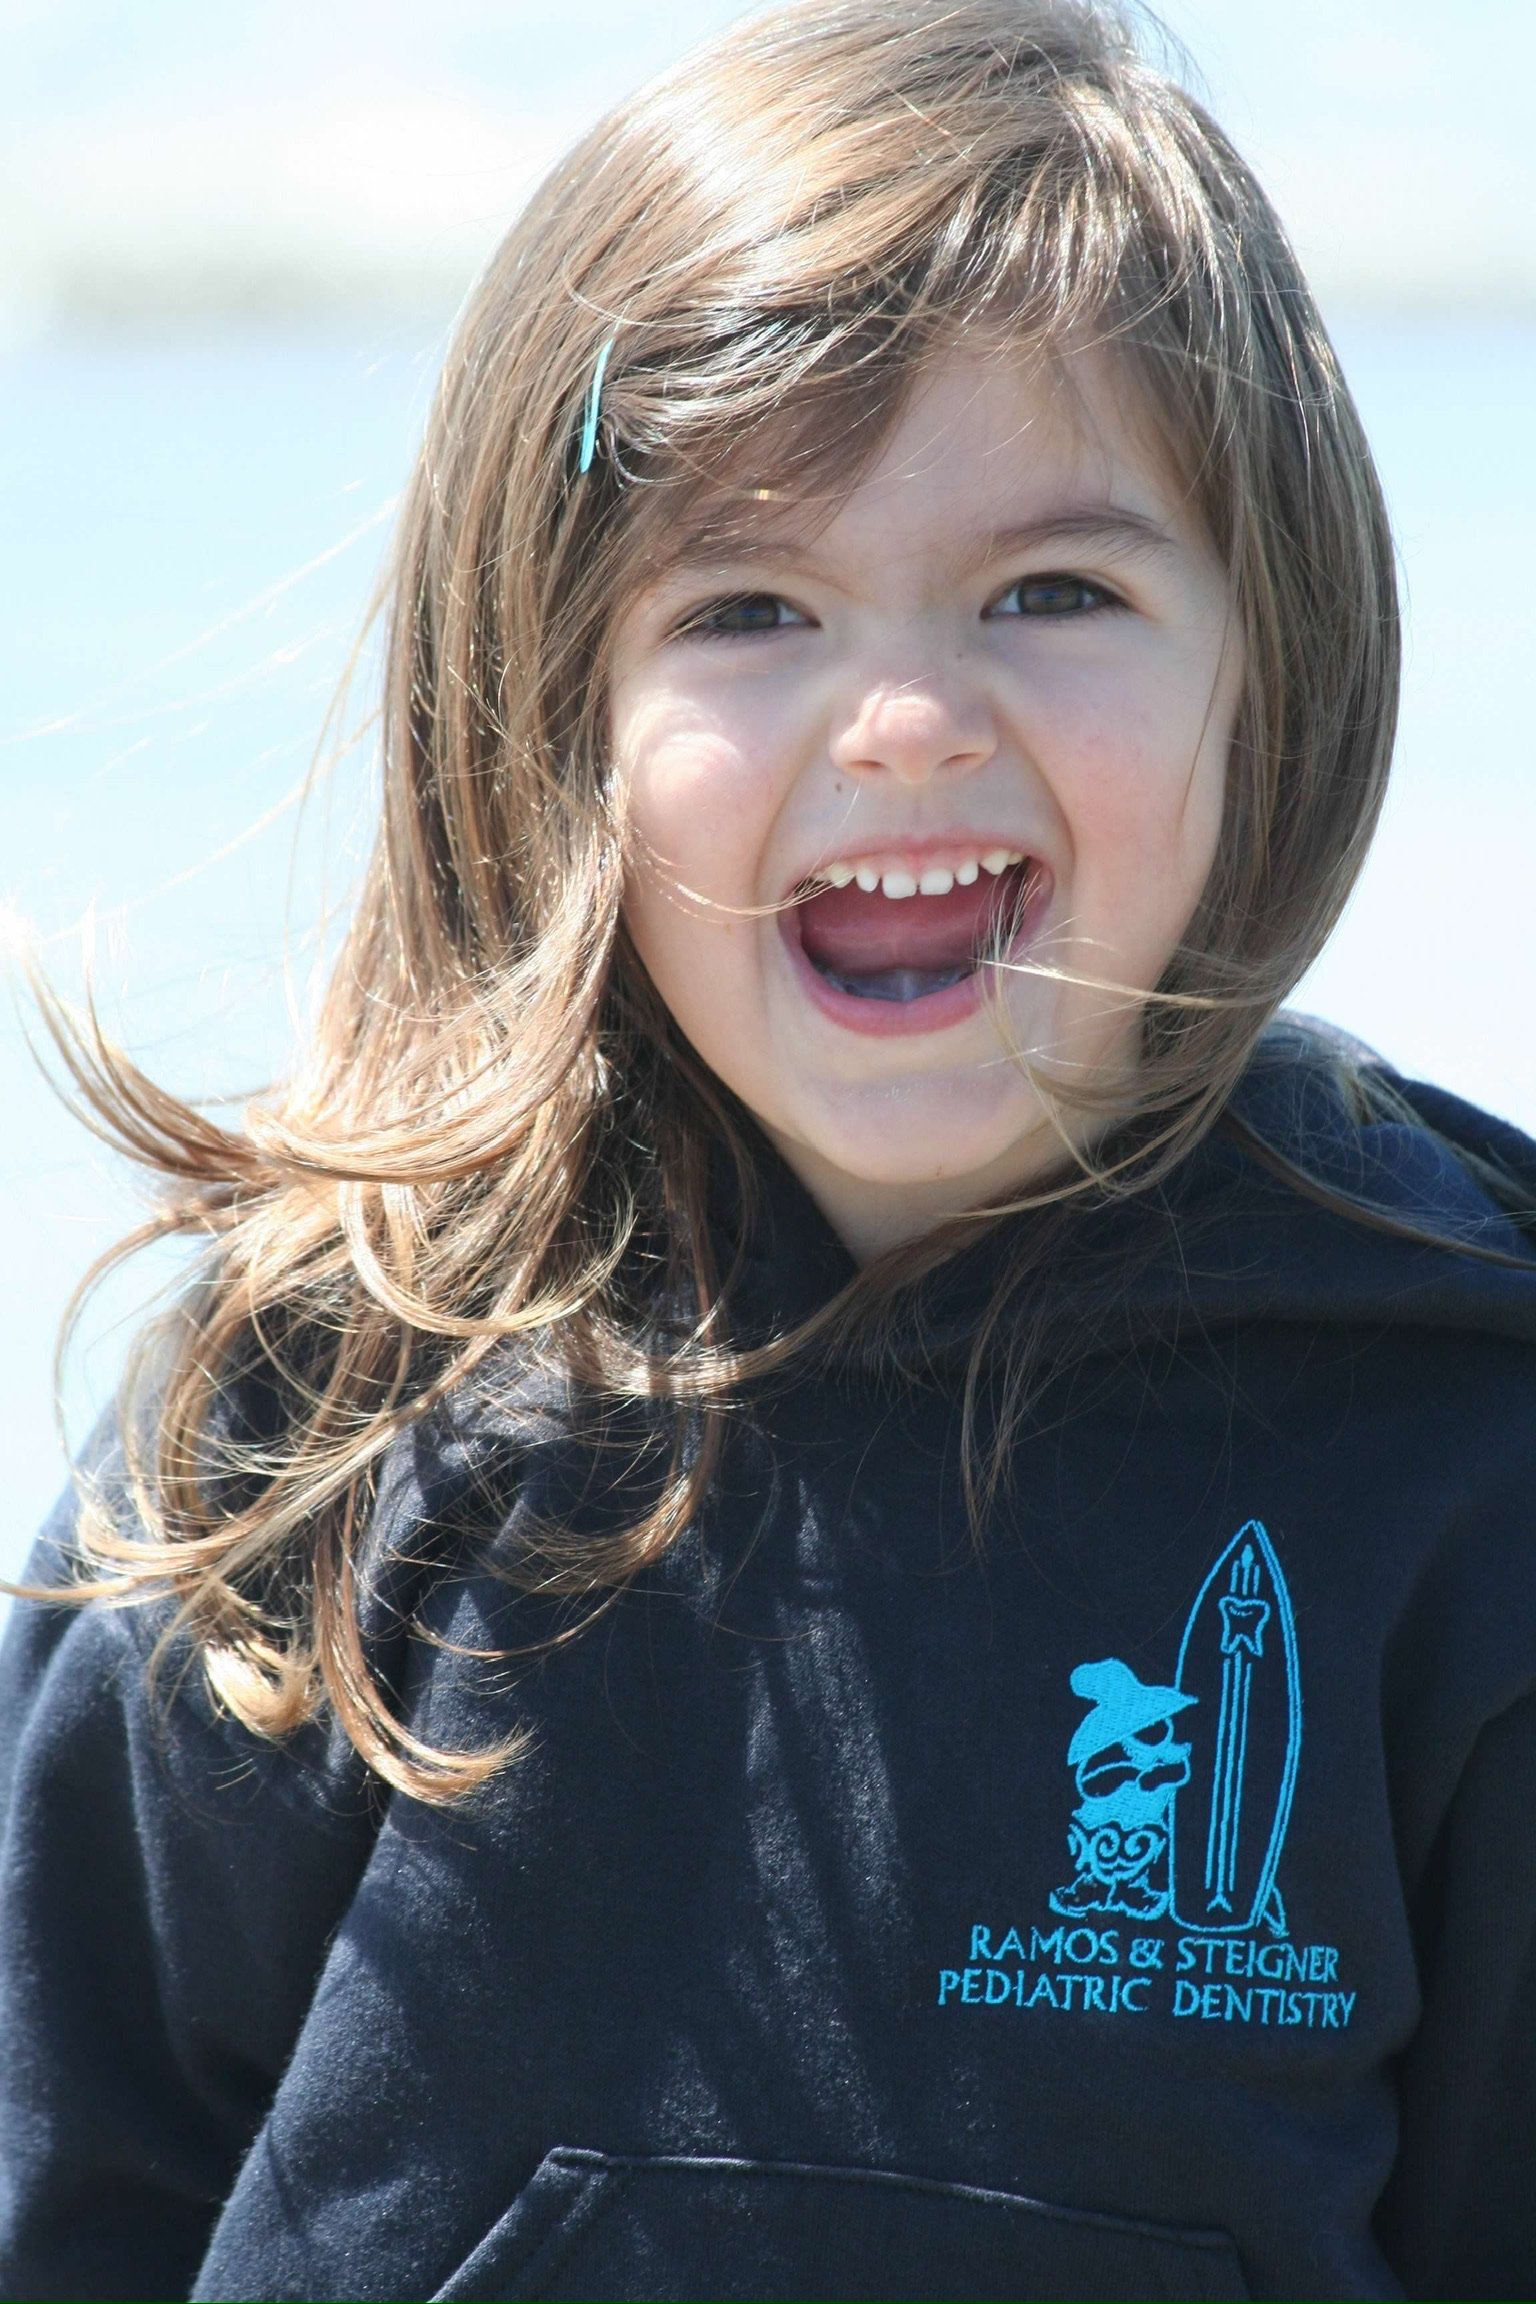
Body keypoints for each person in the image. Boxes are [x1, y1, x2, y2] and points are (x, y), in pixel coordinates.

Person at [2, 2, 1534, 2296]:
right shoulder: (314, 1423)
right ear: (558, 725)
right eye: (747, 608)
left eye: (1056, 590)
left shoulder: (1467, 1449)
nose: (905, 720)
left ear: (1270, 672)